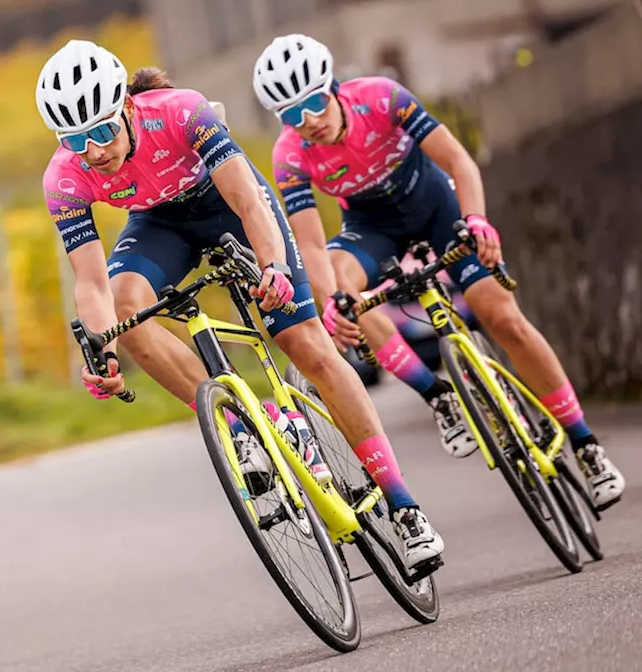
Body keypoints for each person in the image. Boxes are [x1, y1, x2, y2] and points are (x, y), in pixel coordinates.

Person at [37, 38, 445, 570]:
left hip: (229, 205)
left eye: (101, 131)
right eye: (76, 139)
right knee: (123, 312)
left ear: (127, 107)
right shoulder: (64, 177)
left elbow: (248, 200)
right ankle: (243, 430)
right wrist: (103, 348)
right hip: (159, 224)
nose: (94, 151)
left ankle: (403, 505)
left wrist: (273, 266)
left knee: (305, 344)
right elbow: (90, 282)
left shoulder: (182, 111)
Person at [253, 34, 625, 510]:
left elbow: (458, 161)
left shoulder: (382, 98)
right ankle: (439, 396)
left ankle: (584, 443)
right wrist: (331, 301)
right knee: (342, 292)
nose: (310, 121)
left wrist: (476, 220)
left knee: (502, 315)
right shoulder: (290, 156)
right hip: (373, 227)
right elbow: (308, 244)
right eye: (291, 115)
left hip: (437, 207)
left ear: (333, 87)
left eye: (314, 103)